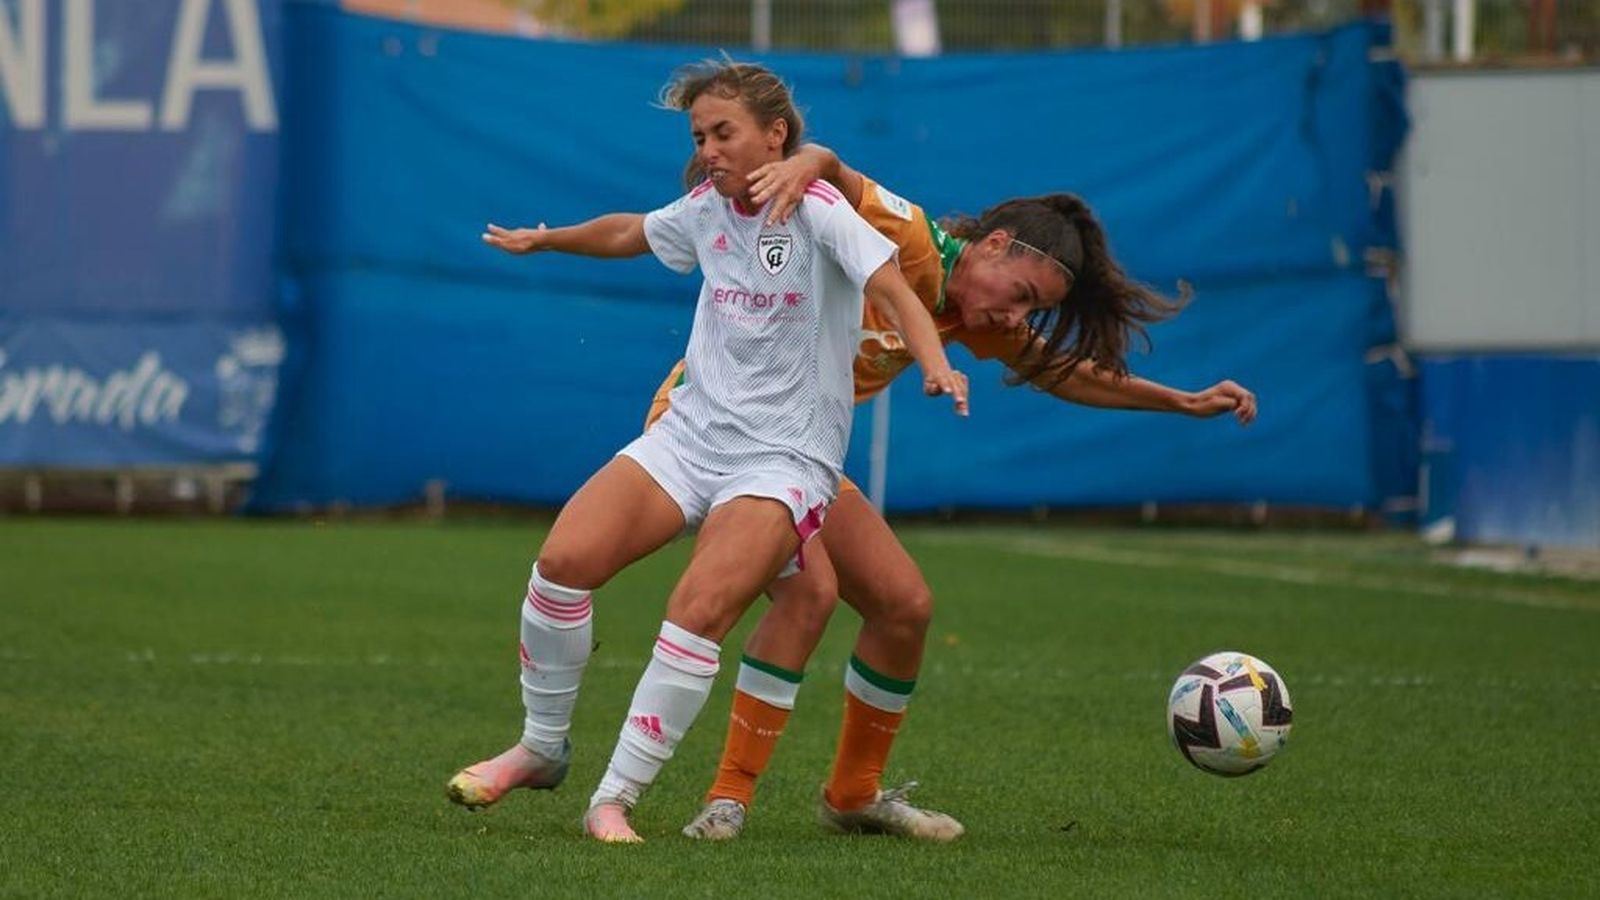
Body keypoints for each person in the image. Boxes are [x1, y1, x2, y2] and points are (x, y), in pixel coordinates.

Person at [663, 145, 1258, 842]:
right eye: (1024, 297)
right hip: (711, 430)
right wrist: (809, 160)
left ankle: (853, 795)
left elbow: (1065, 372)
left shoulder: (970, 311)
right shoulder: (912, 241)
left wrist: (1182, 402)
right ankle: (727, 798)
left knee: (904, 606)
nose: (1017, 319)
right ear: (995, 245)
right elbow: (838, 174)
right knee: (811, 593)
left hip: (792, 458)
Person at [443, 61, 970, 844]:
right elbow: (631, 230)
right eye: (700, 135)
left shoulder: (820, 209)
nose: (709, 149)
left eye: (724, 133)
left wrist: (935, 363)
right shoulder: (707, 207)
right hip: (689, 436)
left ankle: (613, 799)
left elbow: (892, 286)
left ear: (775, 135)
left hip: (783, 458)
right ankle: (541, 747)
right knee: (561, 565)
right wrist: (548, 238)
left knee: (697, 611)